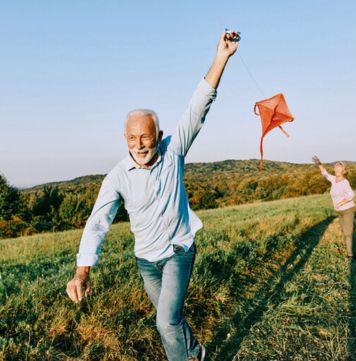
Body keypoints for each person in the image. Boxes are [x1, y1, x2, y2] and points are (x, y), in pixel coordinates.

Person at [66, 31, 240, 361]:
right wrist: (81, 273)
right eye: (132, 138)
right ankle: (196, 353)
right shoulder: (117, 176)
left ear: (158, 136)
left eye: (146, 137)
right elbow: (97, 223)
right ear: (125, 138)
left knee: (165, 321)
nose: (140, 144)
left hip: (178, 251)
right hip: (147, 261)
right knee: (170, 318)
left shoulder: (173, 150)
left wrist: (221, 58)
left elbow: (198, 106)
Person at [312, 156, 356, 259]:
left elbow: (351, 195)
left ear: (343, 170)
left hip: (347, 210)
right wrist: (319, 164)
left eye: (339, 167)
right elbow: (325, 174)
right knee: (344, 231)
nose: (337, 169)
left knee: (347, 232)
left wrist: (341, 203)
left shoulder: (344, 182)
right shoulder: (334, 180)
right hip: (339, 211)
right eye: (336, 167)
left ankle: (350, 255)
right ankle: (348, 247)